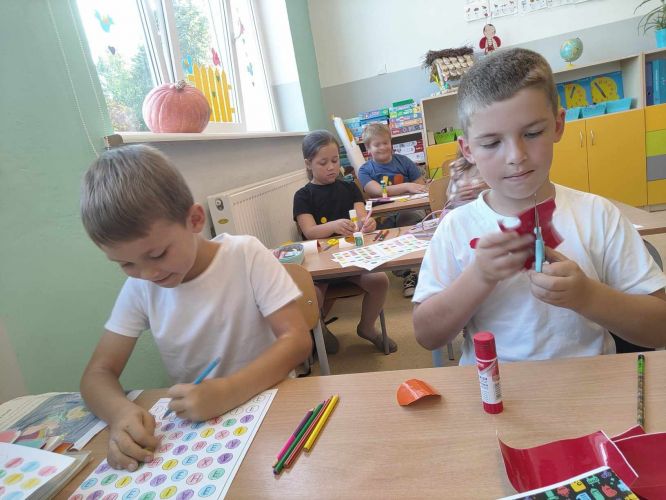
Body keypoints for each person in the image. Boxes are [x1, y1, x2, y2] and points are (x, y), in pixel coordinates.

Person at [413, 48, 666, 365]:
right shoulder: (456, 227)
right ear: (468, 150)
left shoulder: (598, 215)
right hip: (494, 387)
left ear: (558, 125)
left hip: (590, 383)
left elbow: (660, 329)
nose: (515, 156)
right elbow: (427, 335)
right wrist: (478, 276)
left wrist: (588, 296)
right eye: (491, 143)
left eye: (532, 133)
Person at [79, 145, 311, 471]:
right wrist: (120, 413)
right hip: (202, 434)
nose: (148, 273)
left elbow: (297, 340)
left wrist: (228, 391)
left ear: (195, 220)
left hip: (274, 409)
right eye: (126, 264)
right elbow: (97, 374)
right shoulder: (140, 288)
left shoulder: (245, 255)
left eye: (158, 254)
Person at [293, 130, 397, 354]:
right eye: (323, 163)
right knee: (312, 295)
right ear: (308, 164)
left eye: (334, 160)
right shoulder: (303, 196)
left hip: (352, 261)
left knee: (380, 280)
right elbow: (309, 231)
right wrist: (333, 226)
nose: (331, 167)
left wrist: (368, 224)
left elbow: (363, 218)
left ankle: (367, 327)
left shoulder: (349, 188)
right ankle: (318, 330)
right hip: (320, 267)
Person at [358, 122, 427, 297]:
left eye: (386, 142)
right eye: (377, 144)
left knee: (410, 225)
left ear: (391, 142)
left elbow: (419, 185)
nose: (383, 147)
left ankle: (421, 270)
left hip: (409, 210)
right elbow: (377, 191)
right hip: (382, 215)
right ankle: (407, 274)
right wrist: (406, 186)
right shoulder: (365, 170)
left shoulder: (404, 161)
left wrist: (411, 187)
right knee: (387, 237)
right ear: (368, 149)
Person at [439, 153, 488, 219]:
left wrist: (491, 190)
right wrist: (456, 197)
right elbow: (450, 200)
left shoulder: (492, 164)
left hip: (486, 213)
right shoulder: (459, 166)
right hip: (464, 214)